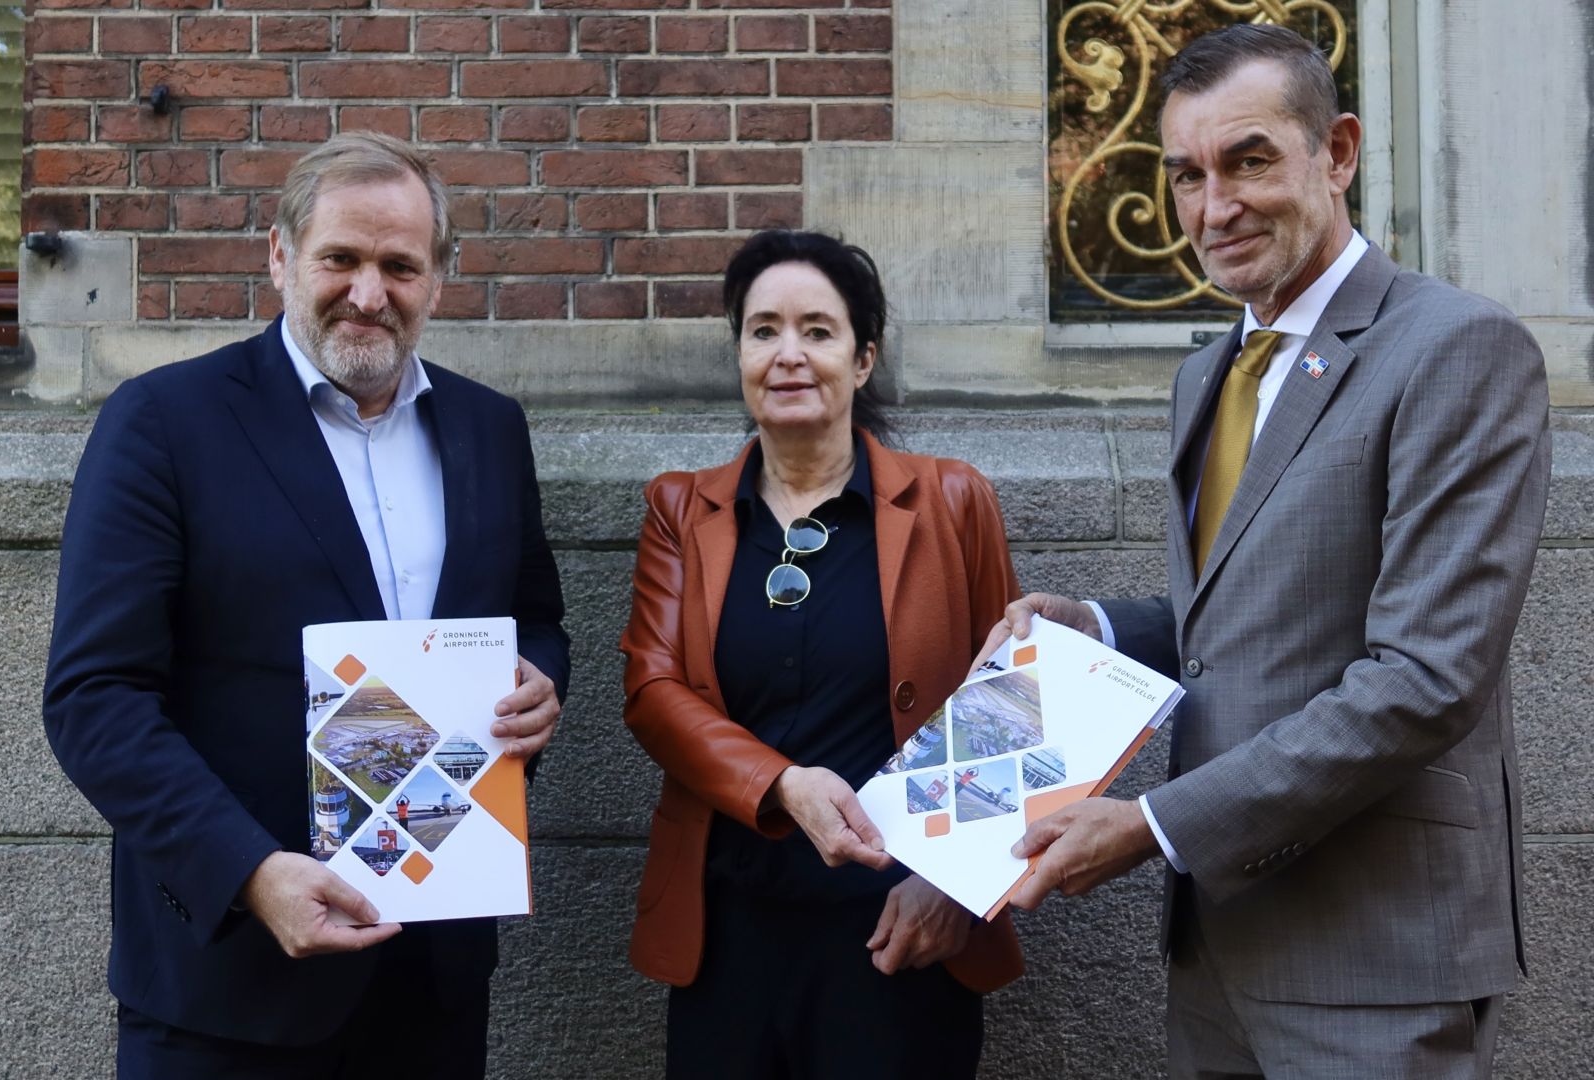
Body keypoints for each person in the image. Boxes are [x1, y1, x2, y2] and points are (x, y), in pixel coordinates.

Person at [984, 25, 1547, 1078]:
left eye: (1249, 160)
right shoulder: (1211, 375)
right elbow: (1241, 626)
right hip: (1218, 957)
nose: (1215, 207)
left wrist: (1152, 825)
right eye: (1187, 176)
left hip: (1374, 954)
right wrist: (1097, 628)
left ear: (1337, 154)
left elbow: (1426, 679)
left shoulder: (1459, 349)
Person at [42, 132, 569, 1079]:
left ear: (438, 280)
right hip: (232, 986)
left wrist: (540, 683)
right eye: (342, 258)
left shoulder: (490, 429)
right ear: (281, 255)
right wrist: (249, 873)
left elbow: (535, 616)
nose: (370, 293)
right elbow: (96, 696)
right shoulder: (165, 422)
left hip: (432, 981)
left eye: (400, 266)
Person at [620, 229, 1025, 1079]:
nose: (788, 355)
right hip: (726, 927)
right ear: (739, 354)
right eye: (763, 330)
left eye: (818, 330)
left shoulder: (953, 500)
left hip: (899, 930)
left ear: (863, 358)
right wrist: (782, 786)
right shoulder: (681, 512)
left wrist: (958, 882)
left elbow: (1012, 701)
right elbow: (653, 691)